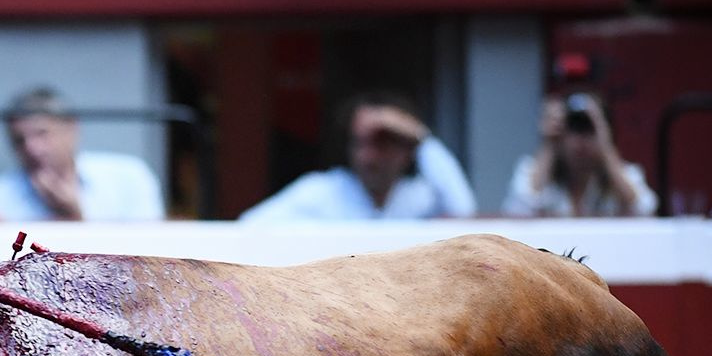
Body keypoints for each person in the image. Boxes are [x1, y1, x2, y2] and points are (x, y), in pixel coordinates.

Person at [239, 93, 476, 221]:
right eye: (359, 143)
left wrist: (420, 136)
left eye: (381, 144)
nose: (368, 156)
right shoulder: (322, 191)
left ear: (407, 151)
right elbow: (250, 225)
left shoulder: (418, 197)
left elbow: (463, 210)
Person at [0, 87, 164, 222]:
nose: (31, 148)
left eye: (42, 134)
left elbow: (145, 257)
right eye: (19, 140)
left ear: (71, 127)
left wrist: (75, 216)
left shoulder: (129, 177)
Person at [502, 94, 657, 218]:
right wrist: (549, 144)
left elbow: (644, 208)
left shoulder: (625, 174)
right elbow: (517, 211)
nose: (580, 141)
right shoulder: (533, 171)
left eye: (588, 129)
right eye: (572, 128)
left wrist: (605, 147)